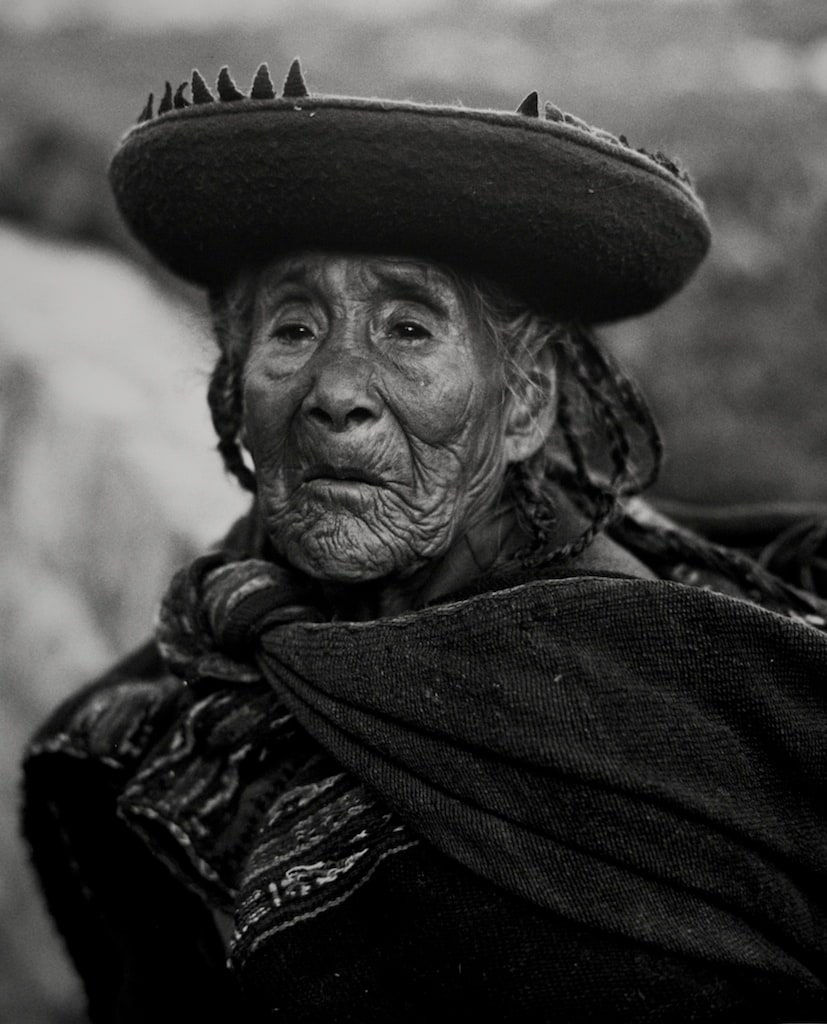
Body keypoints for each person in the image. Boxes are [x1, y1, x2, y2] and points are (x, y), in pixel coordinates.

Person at [22, 59, 827, 1023]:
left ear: (523, 401)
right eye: (292, 327)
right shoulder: (199, 673)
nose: (335, 390)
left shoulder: (657, 712)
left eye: (408, 329)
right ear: (235, 386)